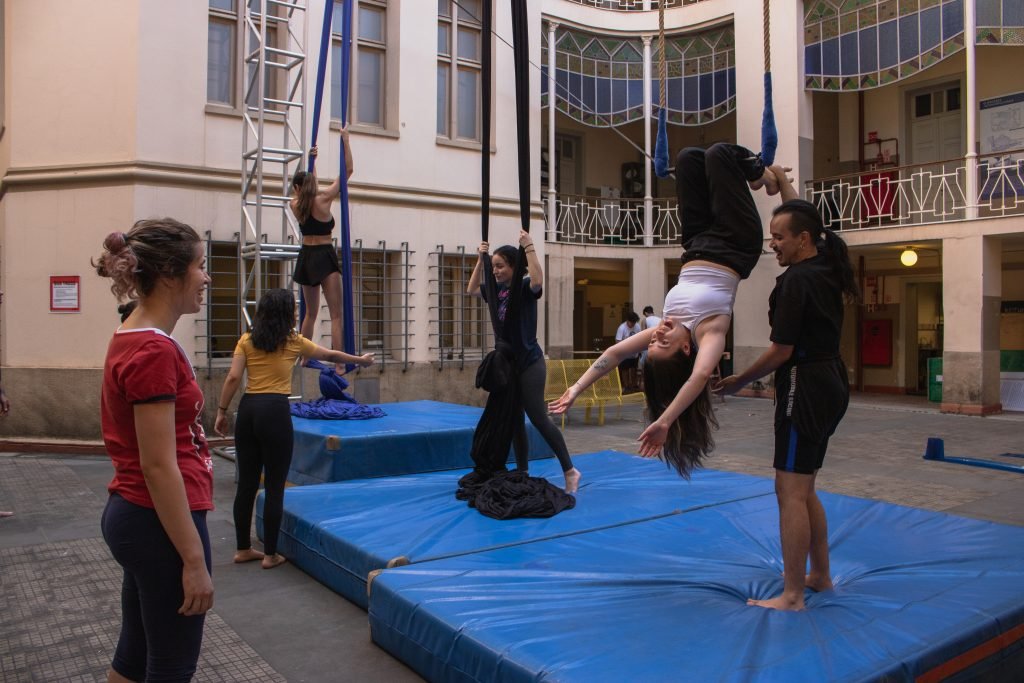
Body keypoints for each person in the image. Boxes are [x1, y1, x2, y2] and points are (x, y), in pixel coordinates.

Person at [551, 143, 788, 477]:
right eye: (663, 343)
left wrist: (577, 388)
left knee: (688, 158)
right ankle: (762, 176)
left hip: (696, 244)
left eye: (651, 344)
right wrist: (665, 421)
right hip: (736, 243)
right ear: (687, 347)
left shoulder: (667, 327)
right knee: (719, 154)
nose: (657, 334)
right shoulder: (710, 330)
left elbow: (615, 354)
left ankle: (750, 172)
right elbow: (701, 376)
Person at [714, 194, 858, 611]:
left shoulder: (797, 280)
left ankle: (793, 595)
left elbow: (781, 350)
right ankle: (820, 575)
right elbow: (801, 208)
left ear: (804, 238)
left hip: (805, 383)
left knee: (789, 489)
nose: (772, 244)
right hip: (830, 379)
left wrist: (740, 379)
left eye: (779, 237)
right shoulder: (826, 266)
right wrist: (780, 183)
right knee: (805, 484)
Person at [93, 218, 215, 682]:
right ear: (169, 274)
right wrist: (194, 559)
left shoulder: (136, 335)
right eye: (201, 267)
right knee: (170, 666)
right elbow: (159, 464)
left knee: (135, 655)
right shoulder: (152, 350)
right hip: (156, 519)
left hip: (139, 515)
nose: (206, 278)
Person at [213, 288, 374, 569]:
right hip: (275, 411)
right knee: (274, 486)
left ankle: (242, 548)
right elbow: (332, 355)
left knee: (247, 485)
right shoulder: (293, 342)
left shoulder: (247, 340)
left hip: (249, 409)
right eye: (295, 311)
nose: (298, 314)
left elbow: (233, 377)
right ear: (286, 314)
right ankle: (270, 554)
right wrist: (361, 360)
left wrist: (221, 411)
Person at [468, 230, 581, 494]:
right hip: (508, 365)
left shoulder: (523, 286)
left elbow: (539, 280)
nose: (495, 271)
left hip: (530, 361)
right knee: (515, 420)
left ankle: (570, 470)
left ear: (513, 267)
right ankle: (522, 471)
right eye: (493, 267)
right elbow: (472, 289)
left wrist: (529, 247)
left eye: (500, 266)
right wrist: (480, 260)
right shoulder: (495, 292)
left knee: (538, 417)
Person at [289, 128, 355, 372]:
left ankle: (304, 357)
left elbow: (307, 190)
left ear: (296, 188)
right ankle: (338, 365)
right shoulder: (324, 198)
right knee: (336, 314)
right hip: (325, 256)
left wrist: (312, 162)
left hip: (306, 257)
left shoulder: (296, 204)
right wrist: (345, 142)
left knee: (310, 314)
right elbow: (347, 171)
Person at [614, 311, 642, 392]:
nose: (633, 324)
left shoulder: (637, 326)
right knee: (625, 370)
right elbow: (618, 341)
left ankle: (633, 385)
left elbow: (640, 337)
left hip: (634, 353)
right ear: (627, 321)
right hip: (625, 353)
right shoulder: (622, 328)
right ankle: (626, 386)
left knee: (633, 369)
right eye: (631, 323)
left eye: (634, 322)